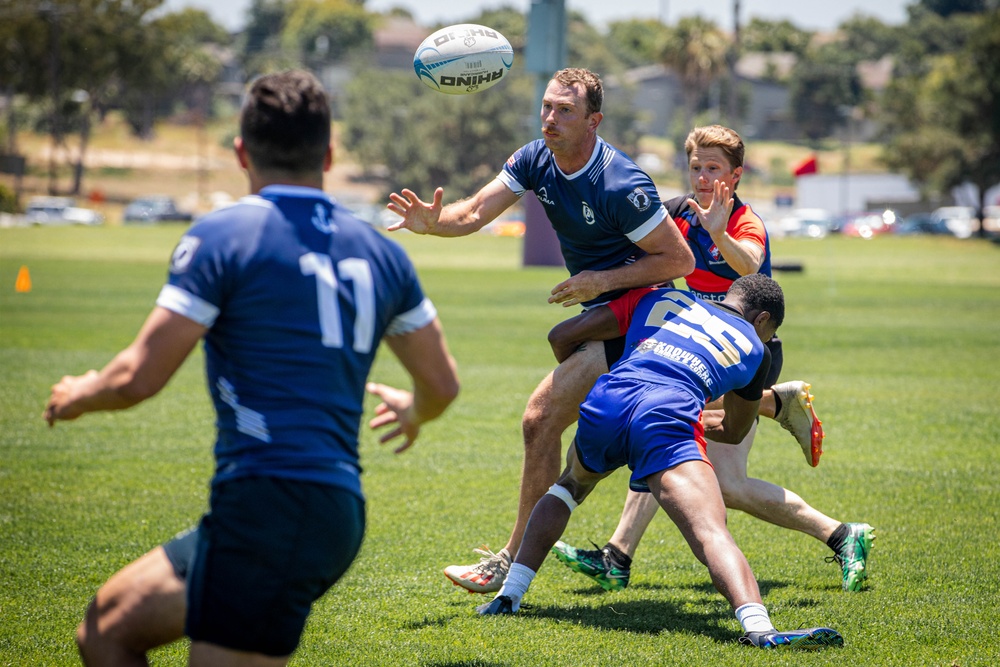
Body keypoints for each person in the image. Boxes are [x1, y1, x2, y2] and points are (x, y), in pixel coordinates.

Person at [43, 69, 460, 666]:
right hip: (321, 504)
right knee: (107, 628)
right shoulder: (381, 253)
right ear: (330, 152)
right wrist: (414, 411)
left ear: (241, 152)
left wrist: (81, 391)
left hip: (274, 501)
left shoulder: (224, 236)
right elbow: (441, 384)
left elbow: (138, 376)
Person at [386, 67, 696, 593]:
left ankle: (511, 561)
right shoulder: (534, 158)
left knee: (542, 417)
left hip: (641, 319)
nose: (550, 119)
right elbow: (475, 212)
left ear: (593, 121)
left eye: (565, 111)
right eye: (547, 107)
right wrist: (432, 223)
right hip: (602, 317)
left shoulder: (620, 183)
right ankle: (768, 402)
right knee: (676, 452)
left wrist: (600, 278)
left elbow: (678, 259)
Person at [550, 125, 874, 594]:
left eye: (714, 169)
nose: (702, 178)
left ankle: (841, 530)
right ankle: (617, 556)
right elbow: (638, 243)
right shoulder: (680, 213)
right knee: (671, 447)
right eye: (696, 167)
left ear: (736, 175)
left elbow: (750, 265)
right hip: (697, 349)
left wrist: (719, 232)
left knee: (721, 480)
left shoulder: (745, 221)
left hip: (743, 355)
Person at [478, 275, 844, 650]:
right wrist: (696, 423)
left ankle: (509, 595)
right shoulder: (755, 347)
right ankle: (760, 628)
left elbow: (566, 333)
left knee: (569, 486)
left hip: (610, 397)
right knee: (709, 529)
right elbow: (735, 431)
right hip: (666, 415)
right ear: (762, 320)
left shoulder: (663, 300)